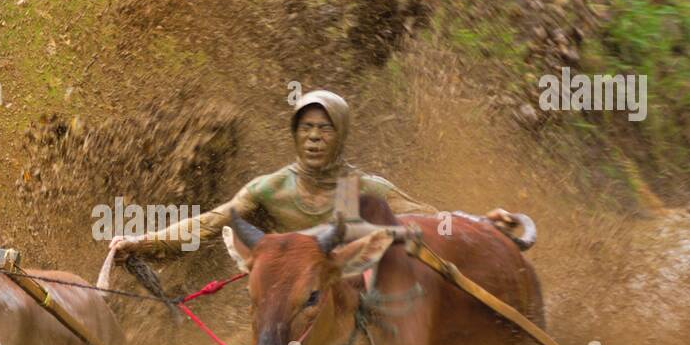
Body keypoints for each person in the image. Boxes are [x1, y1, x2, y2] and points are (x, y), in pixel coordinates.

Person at [107, 91, 465, 266]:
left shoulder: (361, 187)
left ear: (340, 136)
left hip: (352, 307)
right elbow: (209, 224)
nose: (313, 137)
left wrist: (483, 227)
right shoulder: (272, 187)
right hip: (289, 307)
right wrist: (142, 242)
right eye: (305, 128)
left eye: (324, 129)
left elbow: (433, 219)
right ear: (294, 134)